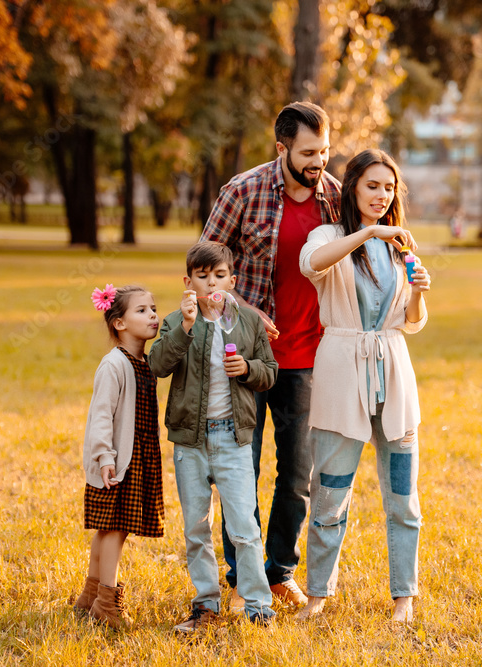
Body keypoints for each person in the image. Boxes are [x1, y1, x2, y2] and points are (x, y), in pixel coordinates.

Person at [200, 101, 341, 609]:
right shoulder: (243, 191)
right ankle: (243, 580)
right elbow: (202, 271)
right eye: (308, 152)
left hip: (308, 356)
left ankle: (280, 571)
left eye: (324, 151)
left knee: (298, 471)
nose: (318, 162)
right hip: (245, 357)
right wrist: (243, 309)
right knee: (242, 468)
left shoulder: (334, 200)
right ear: (281, 147)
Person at [295, 149, 431, 624]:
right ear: (352, 186)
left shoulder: (402, 247)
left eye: (389, 187)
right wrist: (369, 232)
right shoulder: (331, 236)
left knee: (403, 497)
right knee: (330, 492)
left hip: (394, 376)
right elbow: (311, 263)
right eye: (373, 185)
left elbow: (410, 324)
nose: (382, 196)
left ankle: (403, 600)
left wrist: (416, 291)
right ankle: (317, 596)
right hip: (340, 377)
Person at [149, 242, 279, 631]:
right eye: (202, 277)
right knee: (196, 528)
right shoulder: (177, 321)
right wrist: (186, 328)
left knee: (245, 528)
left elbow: (270, 371)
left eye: (219, 276)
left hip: (232, 440)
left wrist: (249, 368)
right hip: (190, 442)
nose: (211, 284)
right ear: (188, 282)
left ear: (232, 281)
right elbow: (158, 364)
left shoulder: (249, 322)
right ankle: (205, 605)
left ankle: (259, 607)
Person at [72, 284, 164, 630]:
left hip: (136, 457)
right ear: (119, 323)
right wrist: (104, 457)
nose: (152, 315)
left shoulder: (143, 361)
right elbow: (100, 415)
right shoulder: (114, 365)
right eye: (141, 310)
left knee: (109, 527)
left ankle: (90, 595)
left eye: (153, 308)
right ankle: (107, 602)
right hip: (117, 460)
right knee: (115, 528)